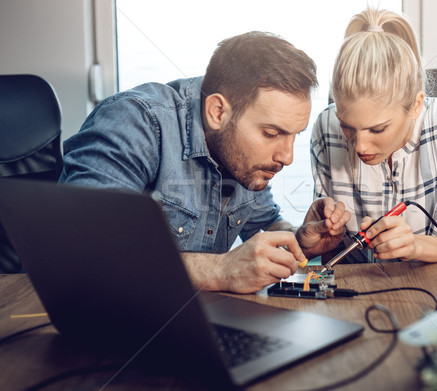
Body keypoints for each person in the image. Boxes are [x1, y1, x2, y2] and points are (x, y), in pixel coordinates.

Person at [60, 31, 350, 293]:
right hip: (63, 317)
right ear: (217, 111)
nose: (286, 156)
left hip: (183, 318)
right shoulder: (134, 123)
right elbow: (88, 254)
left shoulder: (245, 159)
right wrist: (221, 270)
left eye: (294, 136)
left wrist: (300, 240)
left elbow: (266, 223)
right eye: (271, 133)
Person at [311, 7, 437, 264]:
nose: (360, 145)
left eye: (378, 128)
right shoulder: (326, 127)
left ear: (415, 105)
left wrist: (415, 246)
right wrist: (322, 232)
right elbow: (328, 250)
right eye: (347, 126)